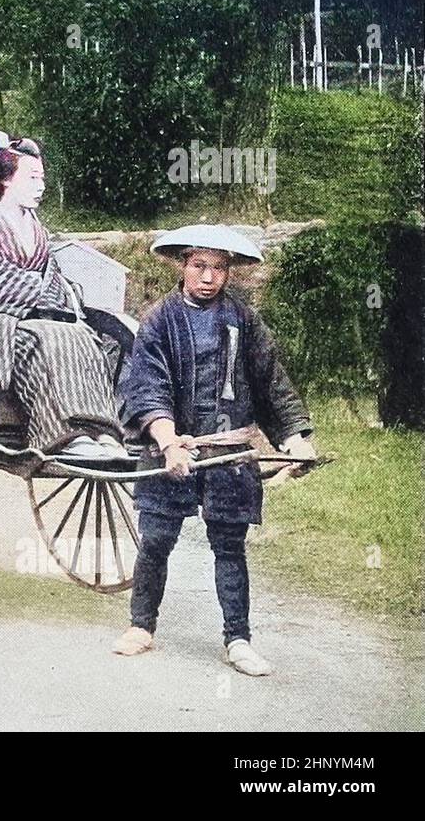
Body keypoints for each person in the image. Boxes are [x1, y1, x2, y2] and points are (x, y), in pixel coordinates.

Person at [112, 224, 316, 676]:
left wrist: (295, 439)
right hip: (173, 448)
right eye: (199, 266)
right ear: (183, 265)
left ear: (228, 273)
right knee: (157, 540)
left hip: (228, 451)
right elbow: (148, 390)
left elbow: (271, 384)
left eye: (218, 268)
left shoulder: (243, 321)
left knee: (229, 545)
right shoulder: (159, 320)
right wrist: (167, 443)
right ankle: (142, 626)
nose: (208, 277)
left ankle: (238, 639)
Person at [0, 131, 124, 458]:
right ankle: (61, 435)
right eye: (32, 178)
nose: (41, 186)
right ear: (6, 181)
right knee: (47, 341)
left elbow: (53, 275)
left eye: (42, 178)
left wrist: (51, 293)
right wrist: (38, 289)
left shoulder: (37, 231)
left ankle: (100, 430)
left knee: (84, 337)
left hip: (36, 316)